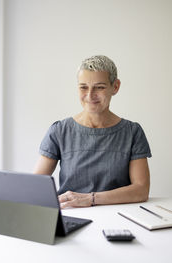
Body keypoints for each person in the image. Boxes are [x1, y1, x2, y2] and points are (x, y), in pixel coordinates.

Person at [34, 55, 152, 209]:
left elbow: (141, 190)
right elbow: (35, 186)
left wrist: (91, 198)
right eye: (83, 87)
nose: (90, 95)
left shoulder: (132, 133)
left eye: (100, 87)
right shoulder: (59, 131)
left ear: (115, 87)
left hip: (118, 216)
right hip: (71, 215)